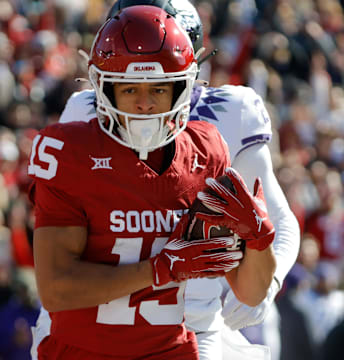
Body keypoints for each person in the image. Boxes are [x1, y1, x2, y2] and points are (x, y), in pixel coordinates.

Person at [31, 1, 300, 359]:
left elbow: (252, 283)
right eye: (129, 89)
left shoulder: (208, 147)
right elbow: (56, 288)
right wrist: (160, 269)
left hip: (182, 340)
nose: (144, 104)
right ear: (105, 87)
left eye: (158, 88)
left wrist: (259, 239)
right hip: (84, 346)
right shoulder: (71, 144)